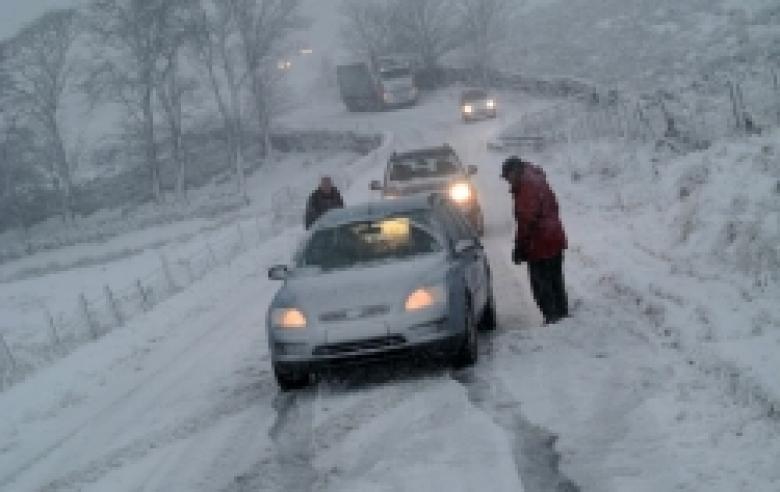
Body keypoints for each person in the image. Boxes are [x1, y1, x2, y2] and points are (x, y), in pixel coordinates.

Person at [501, 156, 569, 324]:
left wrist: (520, 247)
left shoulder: (526, 187)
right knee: (555, 280)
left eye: (508, 177)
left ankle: (552, 318)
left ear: (514, 171)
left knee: (541, 284)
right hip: (554, 236)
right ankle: (562, 316)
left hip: (540, 244)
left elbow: (527, 220)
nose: (508, 182)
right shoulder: (537, 179)